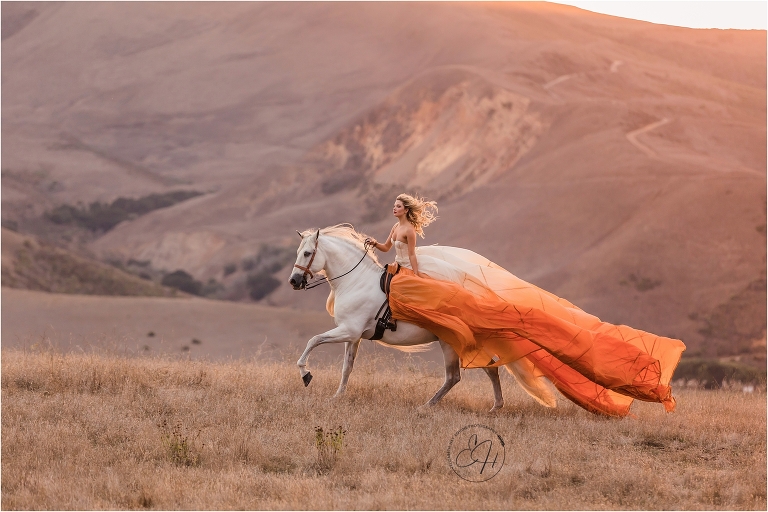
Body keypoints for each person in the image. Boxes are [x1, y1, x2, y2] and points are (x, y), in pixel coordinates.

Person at [366, 193, 686, 417]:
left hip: (410, 274)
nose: (393, 208)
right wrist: (372, 244)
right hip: (397, 270)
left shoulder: (409, 230)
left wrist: (420, 280)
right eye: (392, 204)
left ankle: (404, 325)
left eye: (397, 205)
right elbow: (385, 247)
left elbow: (414, 259)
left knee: (414, 302)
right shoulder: (395, 228)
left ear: (406, 210)